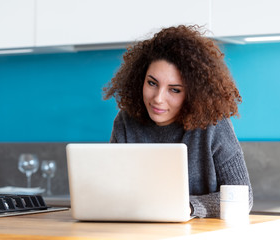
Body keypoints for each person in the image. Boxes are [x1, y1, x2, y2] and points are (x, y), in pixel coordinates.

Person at [103, 25, 253, 218]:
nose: (158, 98)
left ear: (192, 94)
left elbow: (244, 197)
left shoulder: (214, 124)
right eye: (152, 83)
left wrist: (188, 206)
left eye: (174, 90)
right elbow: (113, 189)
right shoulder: (126, 121)